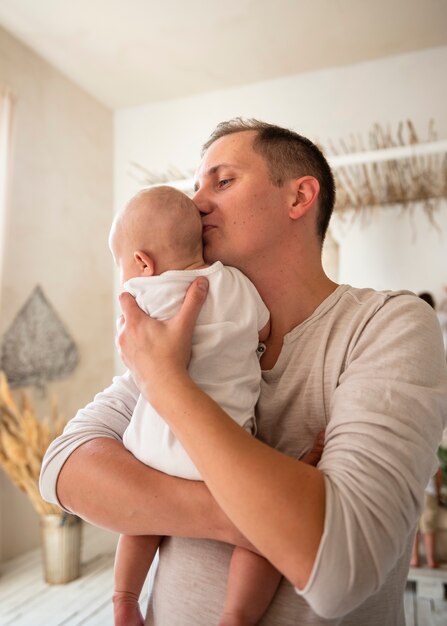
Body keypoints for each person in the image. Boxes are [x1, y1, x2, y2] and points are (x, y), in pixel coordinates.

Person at [40, 118, 447, 625]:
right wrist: (255, 517)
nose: (198, 202)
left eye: (223, 181)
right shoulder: (179, 327)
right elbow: (63, 469)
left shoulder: (388, 324)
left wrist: (166, 382)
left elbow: (340, 565)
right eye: (196, 186)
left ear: (299, 197)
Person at [108, 185, 287, 626]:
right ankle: (237, 615)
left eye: (123, 266)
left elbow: (131, 347)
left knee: (141, 519)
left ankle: (125, 599)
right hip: (223, 451)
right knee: (259, 537)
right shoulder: (238, 284)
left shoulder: (142, 297)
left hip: (153, 449)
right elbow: (264, 331)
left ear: (143, 263)